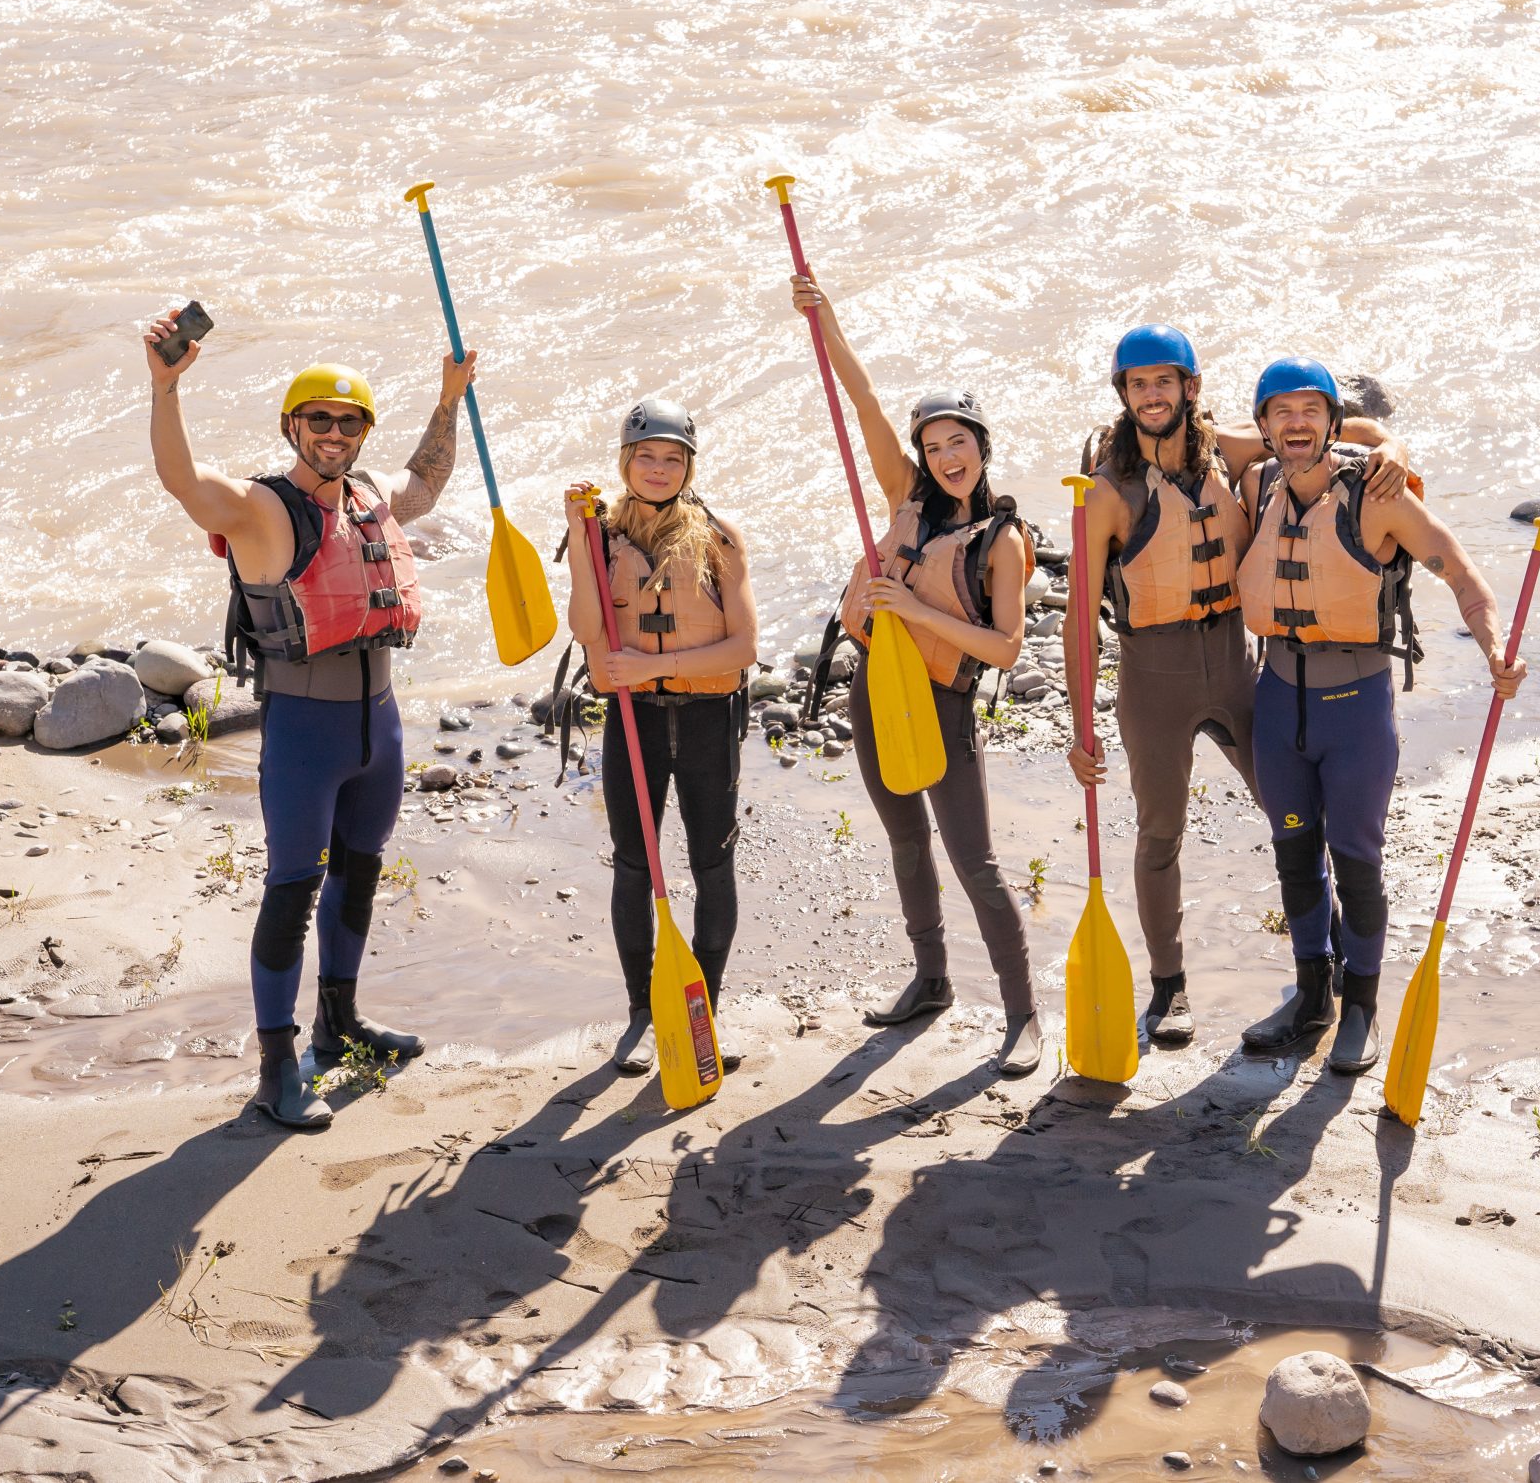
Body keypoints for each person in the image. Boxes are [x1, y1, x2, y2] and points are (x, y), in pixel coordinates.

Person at [142, 309, 471, 1130]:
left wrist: (448, 399)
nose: (333, 431)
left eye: (348, 420)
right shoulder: (261, 508)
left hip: (379, 729)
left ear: (361, 432)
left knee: (360, 872)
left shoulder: (372, 494)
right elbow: (185, 483)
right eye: (318, 418)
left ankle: (340, 1021)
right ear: (293, 425)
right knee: (292, 892)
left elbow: (425, 482)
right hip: (304, 733)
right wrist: (165, 386)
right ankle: (277, 1068)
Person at [1065, 326, 1409, 1045]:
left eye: (1166, 380)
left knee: (1296, 817)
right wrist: (1081, 725)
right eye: (1138, 384)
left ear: (1191, 387)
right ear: (1124, 396)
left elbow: (1362, 429)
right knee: (1160, 833)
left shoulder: (1228, 450)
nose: (1152, 394)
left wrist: (1395, 455)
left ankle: (1337, 964)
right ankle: (1169, 989)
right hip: (1152, 679)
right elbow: (1075, 618)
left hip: (1235, 664)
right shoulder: (1108, 491)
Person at [1233, 358, 1525, 1075]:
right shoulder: (1257, 482)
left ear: (1333, 421)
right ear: (1265, 424)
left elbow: (1459, 571)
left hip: (1355, 709)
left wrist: (1494, 645)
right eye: (1281, 411)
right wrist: (1384, 432)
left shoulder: (1378, 497)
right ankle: (1312, 996)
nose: (1296, 423)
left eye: (1312, 410)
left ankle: (1360, 1003)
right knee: (1294, 853)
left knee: (1357, 862)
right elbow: (1202, 432)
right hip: (1276, 702)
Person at [788, 273, 1044, 1077]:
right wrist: (823, 317)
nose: (946, 457)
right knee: (905, 841)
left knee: (976, 861)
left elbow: (1005, 649)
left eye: (957, 441)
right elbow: (859, 399)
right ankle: (931, 979)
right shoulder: (904, 493)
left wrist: (917, 610)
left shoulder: (1002, 540)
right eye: (933, 446)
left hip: (944, 704)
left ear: (981, 443)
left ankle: (1023, 1014)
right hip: (876, 686)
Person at [561, 396, 761, 1078]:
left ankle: (707, 1002)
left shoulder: (719, 537)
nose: (656, 467)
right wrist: (576, 533)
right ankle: (643, 1012)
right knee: (634, 864)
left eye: (671, 457)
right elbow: (588, 629)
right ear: (625, 461)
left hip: (708, 720)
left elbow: (743, 648)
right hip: (634, 720)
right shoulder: (598, 534)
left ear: (688, 465)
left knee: (711, 862)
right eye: (644, 455)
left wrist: (656, 664)